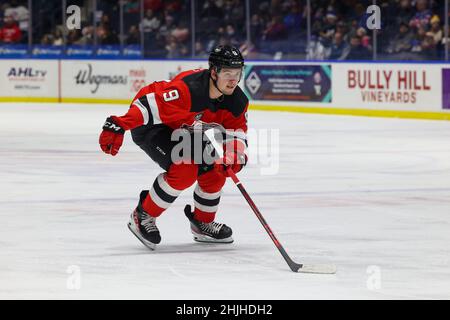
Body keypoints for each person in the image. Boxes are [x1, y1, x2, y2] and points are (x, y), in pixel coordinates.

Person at [99, 45, 248, 250]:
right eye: (228, 73)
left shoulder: (237, 101)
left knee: (216, 169)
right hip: (152, 125)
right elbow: (147, 106)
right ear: (214, 72)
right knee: (185, 168)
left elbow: (237, 131)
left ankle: (202, 223)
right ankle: (143, 215)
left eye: (237, 73)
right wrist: (119, 124)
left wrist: (234, 155)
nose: (233, 80)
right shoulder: (189, 90)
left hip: (184, 129)